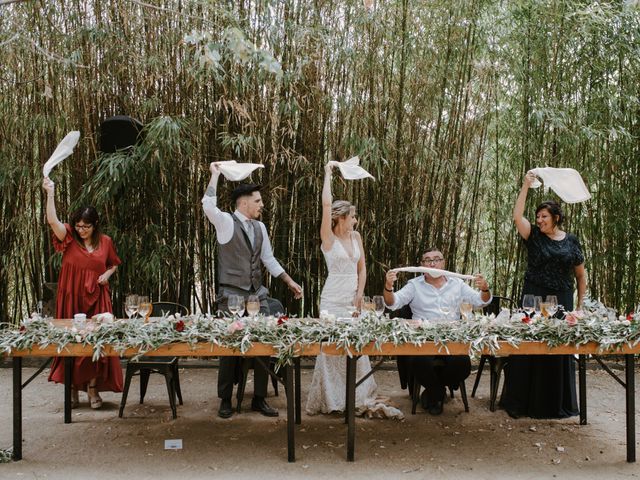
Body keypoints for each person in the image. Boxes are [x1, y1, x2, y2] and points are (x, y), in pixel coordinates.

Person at [202, 163, 303, 419]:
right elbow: (207, 206)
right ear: (243, 203)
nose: (261, 205)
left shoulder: (261, 228)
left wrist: (289, 281)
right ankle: (225, 399)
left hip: (257, 294)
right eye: (258, 201)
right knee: (228, 347)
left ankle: (259, 398)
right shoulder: (225, 222)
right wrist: (214, 175)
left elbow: (268, 259)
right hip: (232, 296)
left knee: (264, 344)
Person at [306, 163, 402, 418]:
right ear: (340, 218)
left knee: (355, 347)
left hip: (352, 296)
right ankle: (332, 399)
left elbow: (362, 269)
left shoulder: (357, 237)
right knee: (330, 349)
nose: (355, 221)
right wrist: (327, 173)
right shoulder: (328, 237)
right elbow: (326, 206)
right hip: (332, 298)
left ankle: (356, 395)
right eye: (352, 217)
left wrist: (360, 294)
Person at [499, 171, 586, 419]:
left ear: (556, 218)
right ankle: (523, 403)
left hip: (562, 298)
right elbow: (517, 216)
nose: (539, 220)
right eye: (537, 216)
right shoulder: (534, 236)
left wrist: (580, 305)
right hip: (534, 297)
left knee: (558, 349)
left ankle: (555, 404)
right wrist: (526, 185)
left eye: (544, 216)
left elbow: (580, 275)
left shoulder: (571, 241)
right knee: (529, 346)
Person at [43, 177, 123, 409]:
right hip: (71, 297)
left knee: (97, 342)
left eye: (86, 226)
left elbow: (113, 264)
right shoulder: (68, 237)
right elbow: (52, 221)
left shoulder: (106, 242)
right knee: (71, 341)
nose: (81, 230)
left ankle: (92, 388)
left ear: (95, 224)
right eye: (78, 226)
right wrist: (50, 193)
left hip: (98, 298)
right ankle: (71, 388)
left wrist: (107, 275)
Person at [384, 248, 491, 415]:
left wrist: (485, 289)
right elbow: (393, 303)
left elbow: (480, 301)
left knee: (463, 363)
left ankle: (433, 392)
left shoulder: (457, 284)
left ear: (443, 263)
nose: (432, 263)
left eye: (436, 259)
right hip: (423, 338)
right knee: (419, 363)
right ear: (422, 265)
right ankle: (438, 393)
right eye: (427, 260)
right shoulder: (414, 285)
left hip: (451, 337)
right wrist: (388, 287)